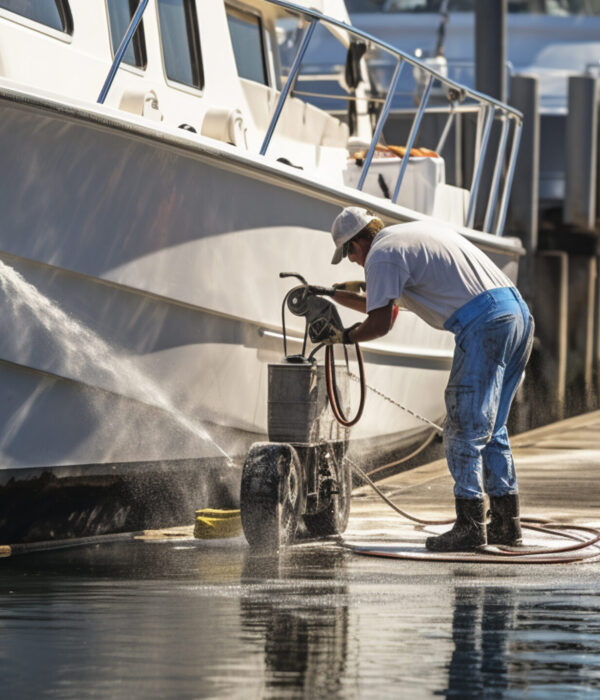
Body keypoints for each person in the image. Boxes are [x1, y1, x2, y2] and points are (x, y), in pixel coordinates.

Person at [317, 206, 534, 552]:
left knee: (463, 424)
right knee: (491, 427)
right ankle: (507, 524)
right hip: (516, 314)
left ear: (360, 241)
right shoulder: (405, 239)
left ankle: (470, 525)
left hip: (485, 323)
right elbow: (388, 307)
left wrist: (342, 337)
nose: (354, 262)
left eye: (350, 253)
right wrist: (335, 296)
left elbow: (380, 323)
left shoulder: (382, 254)